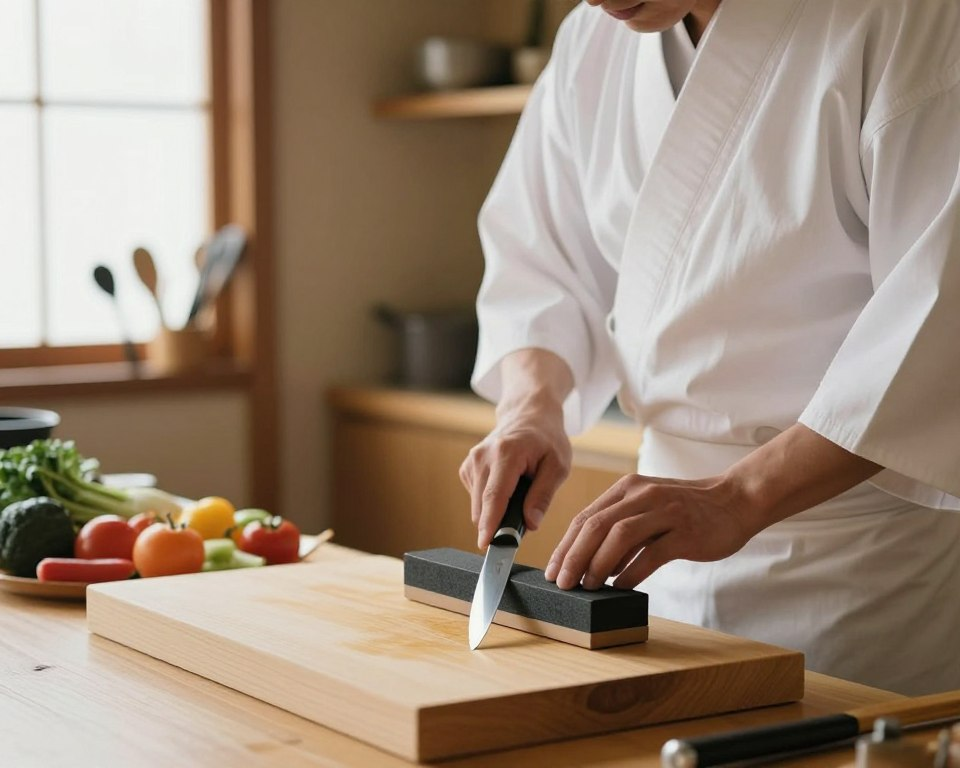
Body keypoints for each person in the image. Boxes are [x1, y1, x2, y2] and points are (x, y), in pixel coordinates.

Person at [459, 0, 960, 696]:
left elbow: (939, 316)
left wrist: (742, 495)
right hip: (654, 565)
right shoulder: (590, 42)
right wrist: (531, 406)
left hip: (855, 579)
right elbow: (542, 258)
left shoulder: (909, 16)